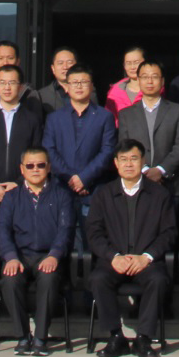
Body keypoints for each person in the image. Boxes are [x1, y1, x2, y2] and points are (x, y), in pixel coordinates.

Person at [87, 139, 176, 357]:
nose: (129, 164)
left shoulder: (159, 195)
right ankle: (116, 336)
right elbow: (94, 234)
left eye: (134, 159)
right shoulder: (103, 194)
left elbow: (169, 233)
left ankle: (143, 339)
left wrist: (146, 257)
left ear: (143, 161)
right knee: (98, 279)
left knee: (157, 280)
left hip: (146, 261)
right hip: (114, 261)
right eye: (123, 159)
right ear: (116, 163)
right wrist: (113, 256)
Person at [0, 147, 75, 357]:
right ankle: (22, 337)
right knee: (10, 280)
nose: (35, 169)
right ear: (22, 169)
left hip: (48, 256)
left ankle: (40, 338)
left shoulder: (62, 194)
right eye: (30, 166)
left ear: (48, 167)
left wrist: (54, 255)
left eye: (40, 165)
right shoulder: (12, 197)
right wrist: (10, 257)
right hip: (19, 256)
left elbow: (65, 229)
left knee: (49, 278)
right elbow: (2, 229)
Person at [42, 64, 116, 246]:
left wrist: (84, 178)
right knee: (61, 242)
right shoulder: (54, 118)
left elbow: (107, 150)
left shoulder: (104, 116)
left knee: (92, 241)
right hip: (62, 187)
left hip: (93, 188)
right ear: (67, 87)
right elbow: (49, 150)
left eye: (84, 82)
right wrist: (71, 178)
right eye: (74, 82)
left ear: (91, 86)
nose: (79, 86)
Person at [117, 60, 179, 200]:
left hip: (170, 184)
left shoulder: (177, 111)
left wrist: (160, 170)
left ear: (162, 81)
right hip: (136, 183)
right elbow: (124, 146)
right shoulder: (126, 114)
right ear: (138, 80)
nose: (149, 81)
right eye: (145, 77)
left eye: (154, 77)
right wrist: (144, 170)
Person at [0, 64, 45, 208]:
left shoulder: (32, 119)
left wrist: (19, 182)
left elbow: (37, 154)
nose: (7, 87)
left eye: (12, 83)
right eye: (2, 83)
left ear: (20, 87)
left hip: (23, 191)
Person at [0, 40, 41, 116]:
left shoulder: (30, 93)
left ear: (18, 61)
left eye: (10, 58)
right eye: (0, 58)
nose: (5, 63)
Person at [38, 46, 96, 116]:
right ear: (53, 68)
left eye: (69, 62)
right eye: (60, 63)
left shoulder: (87, 89)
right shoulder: (42, 95)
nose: (65, 67)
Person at [105, 46, 146, 125]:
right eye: (128, 63)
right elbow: (109, 121)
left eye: (136, 62)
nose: (132, 67)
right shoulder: (114, 92)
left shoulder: (154, 88)